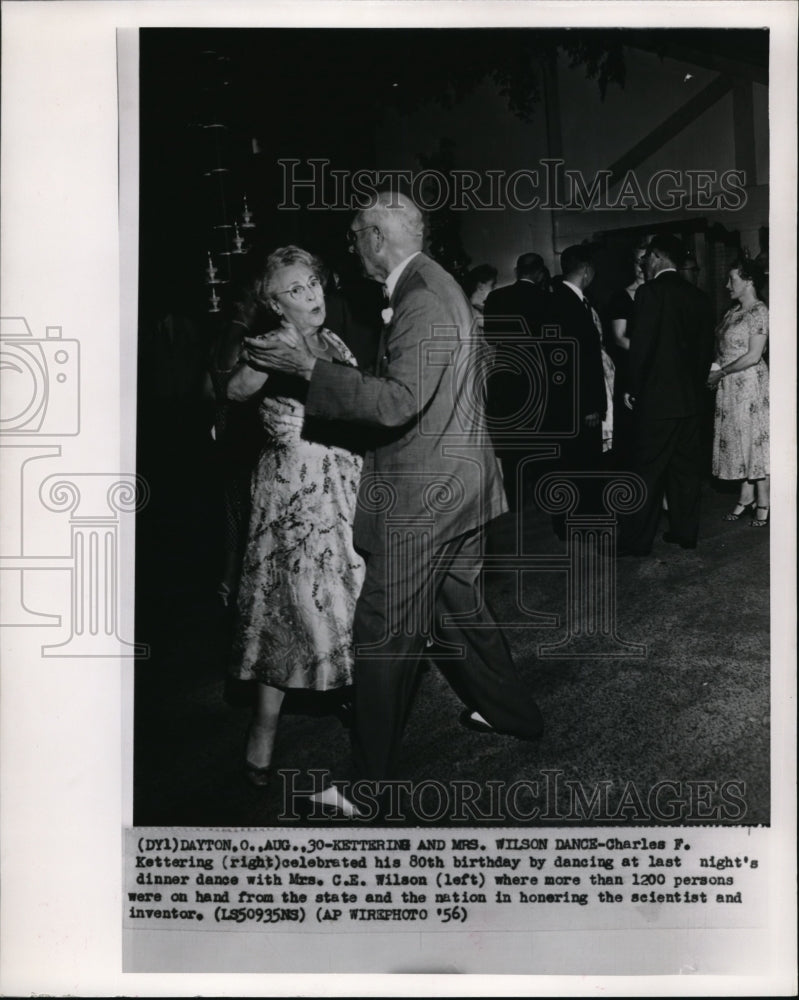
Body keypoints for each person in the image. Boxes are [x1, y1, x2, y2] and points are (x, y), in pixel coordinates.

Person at [246, 192, 543, 796]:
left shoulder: (422, 296)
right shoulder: (436, 285)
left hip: (423, 498)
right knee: (461, 611)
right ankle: (515, 715)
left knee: (382, 633)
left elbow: (396, 403)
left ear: (377, 237)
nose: (351, 248)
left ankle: (366, 787)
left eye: (356, 235)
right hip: (459, 483)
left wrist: (308, 370)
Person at [225, 246, 366, 789]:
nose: (312, 296)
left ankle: (355, 697)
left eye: (314, 283)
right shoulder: (267, 345)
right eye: (297, 290)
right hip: (293, 501)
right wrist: (258, 362)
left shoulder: (332, 341)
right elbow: (233, 391)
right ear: (274, 303)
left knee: (351, 603)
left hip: (344, 488)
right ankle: (260, 739)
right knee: (284, 615)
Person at [620, 233, 715, 555]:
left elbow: (641, 347)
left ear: (658, 257)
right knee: (686, 472)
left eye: (646, 258)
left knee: (646, 472)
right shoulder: (699, 297)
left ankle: (636, 542)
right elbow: (704, 354)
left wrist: (633, 387)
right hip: (691, 402)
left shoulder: (649, 293)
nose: (643, 263)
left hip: (658, 402)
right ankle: (685, 533)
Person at [544, 244, 608, 538]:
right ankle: (578, 523)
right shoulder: (568, 305)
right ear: (586, 270)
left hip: (564, 405)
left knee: (570, 463)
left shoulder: (558, 300)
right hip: (577, 405)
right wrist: (589, 406)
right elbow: (574, 362)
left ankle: (570, 522)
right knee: (580, 464)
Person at [482, 253, 551, 510]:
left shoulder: (497, 297)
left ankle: (514, 497)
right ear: (540, 273)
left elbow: (490, 336)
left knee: (511, 438)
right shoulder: (546, 299)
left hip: (506, 373)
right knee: (541, 435)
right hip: (537, 373)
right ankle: (545, 496)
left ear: (517, 270)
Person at [706, 258, 769, 526]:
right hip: (729, 383)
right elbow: (720, 347)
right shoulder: (732, 312)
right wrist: (714, 370)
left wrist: (721, 372)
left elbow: (754, 355)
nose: (727, 284)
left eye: (732, 279)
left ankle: (764, 500)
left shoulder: (759, 311)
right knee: (739, 439)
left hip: (749, 384)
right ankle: (746, 497)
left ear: (748, 281)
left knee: (753, 438)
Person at [604, 244, 647, 469]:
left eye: (645, 260)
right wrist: (649, 352)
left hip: (654, 372)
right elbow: (619, 338)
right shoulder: (620, 297)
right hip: (630, 370)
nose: (641, 266)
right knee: (632, 432)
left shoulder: (658, 293)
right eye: (637, 261)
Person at [461, 263, 498, 330]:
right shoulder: (469, 309)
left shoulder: (477, 308)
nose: (494, 288)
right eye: (492, 285)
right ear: (480, 286)